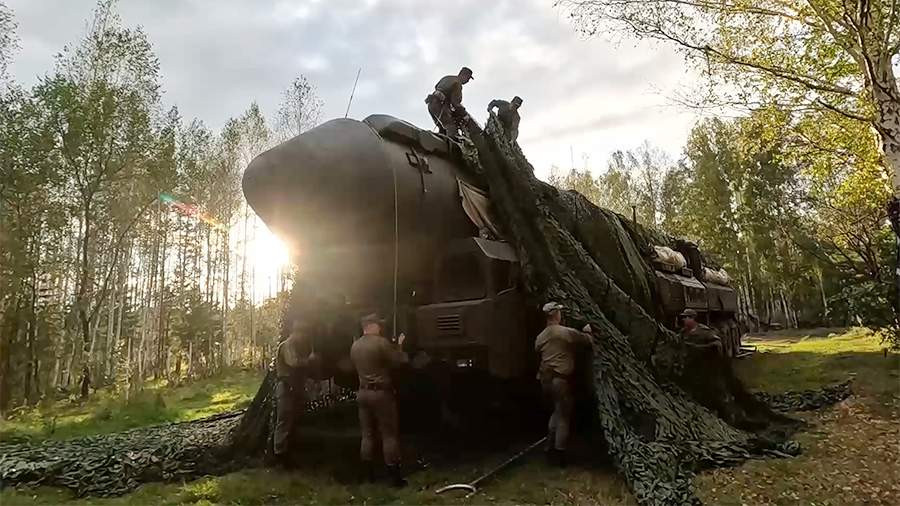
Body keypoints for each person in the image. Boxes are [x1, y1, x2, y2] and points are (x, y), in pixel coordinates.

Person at [349, 313, 409, 486]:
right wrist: (399, 345)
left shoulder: (355, 346)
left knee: (367, 434)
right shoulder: (381, 343)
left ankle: (368, 475)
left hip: (362, 393)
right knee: (389, 434)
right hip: (381, 394)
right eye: (378, 324)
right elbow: (399, 361)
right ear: (372, 325)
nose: (380, 327)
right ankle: (395, 477)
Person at [533, 301, 593, 467]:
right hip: (560, 380)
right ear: (555, 315)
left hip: (545, 380)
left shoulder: (541, 337)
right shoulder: (564, 332)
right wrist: (588, 329)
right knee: (564, 416)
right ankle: (560, 454)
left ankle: (549, 448)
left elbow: (538, 351)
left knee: (557, 411)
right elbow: (588, 341)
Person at [273, 319, 316, 466]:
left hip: (293, 388)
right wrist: (309, 360)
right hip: (286, 388)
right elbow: (293, 362)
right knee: (284, 420)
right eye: (303, 334)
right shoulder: (288, 345)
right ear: (297, 332)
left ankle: (289, 452)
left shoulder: (295, 345)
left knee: (292, 420)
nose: (304, 337)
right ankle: (280, 455)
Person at [425, 66, 474, 138]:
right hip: (440, 106)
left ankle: (441, 141)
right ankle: (452, 144)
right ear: (463, 75)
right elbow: (455, 103)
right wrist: (464, 114)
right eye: (468, 78)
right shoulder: (457, 83)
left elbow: (437, 86)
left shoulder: (447, 78)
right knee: (451, 127)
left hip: (431, 104)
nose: (468, 81)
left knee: (442, 129)